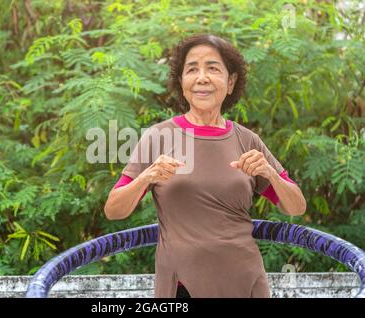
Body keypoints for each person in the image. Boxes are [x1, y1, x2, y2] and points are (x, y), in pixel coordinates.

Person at [104, 34, 306, 298]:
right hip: (182, 286)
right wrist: (146, 176)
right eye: (192, 69)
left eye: (213, 68)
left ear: (230, 82)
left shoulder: (247, 140)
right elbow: (113, 210)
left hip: (247, 281)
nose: (202, 78)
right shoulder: (158, 137)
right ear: (182, 82)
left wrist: (270, 173)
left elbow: (296, 207)